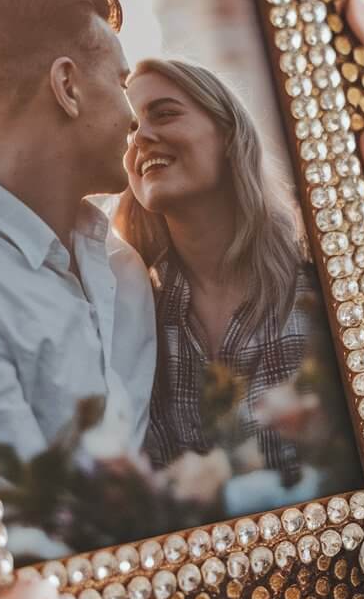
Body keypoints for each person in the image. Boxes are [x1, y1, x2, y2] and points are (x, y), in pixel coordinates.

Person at [0, 0, 157, 462]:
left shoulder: (125, 269)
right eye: (121, 82)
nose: (133, 117)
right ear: (67, 86)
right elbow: (31, 521)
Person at [114, 58, 351, 495]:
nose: (140, 137)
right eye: (129, 128)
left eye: (164, 113)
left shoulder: (328, 281)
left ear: (228, 134)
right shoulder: (135, 314)